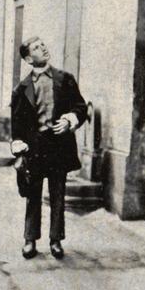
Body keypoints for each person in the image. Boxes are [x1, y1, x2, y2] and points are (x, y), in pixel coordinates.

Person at [10, 36, 87, 260]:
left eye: (43, 44)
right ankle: (30, 239)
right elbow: (17, 123)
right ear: (27, 58)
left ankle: (56, 240)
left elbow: (80, 106)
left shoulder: (66, 79)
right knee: (33, 194)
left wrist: (70, 119)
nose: (42, 48)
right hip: (34, 147)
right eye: (35, 47)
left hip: (58, 145)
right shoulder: (21, 88)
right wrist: (18, 144)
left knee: (58, 194)